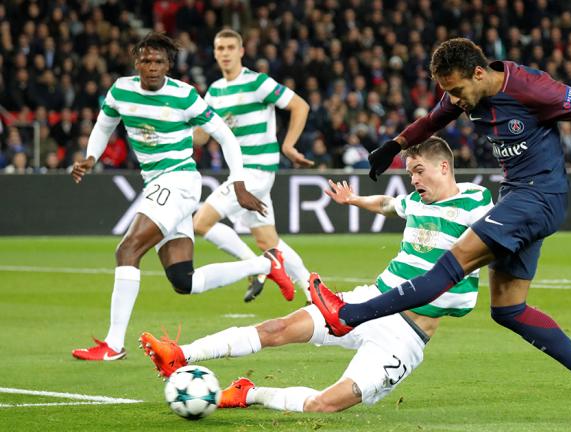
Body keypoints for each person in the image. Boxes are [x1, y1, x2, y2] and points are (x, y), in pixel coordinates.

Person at [309, 38, 571, 428]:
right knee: (509, 310)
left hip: (538, 198)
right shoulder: (467, 95)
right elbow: (432, 121)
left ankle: (347, 315)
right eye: (448, 92)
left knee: (448, 266)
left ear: (480, 73)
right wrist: (392, 146)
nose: (455, 100)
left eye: (458, 91)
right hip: (517, 195)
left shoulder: (529, 87)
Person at [140, 137, 494, 412]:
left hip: (407, 336)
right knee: (277, 328)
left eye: (419, 171)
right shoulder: (416, 200)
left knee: (324, 404)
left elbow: (504, 234)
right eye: (410, 172)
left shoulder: (476, 201)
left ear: (444, 167)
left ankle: (249, 393)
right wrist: (354, 200)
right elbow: (388, 204)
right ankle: (180, 354)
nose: (412, 178)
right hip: (371, 299)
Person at [70, 32, 294, 362]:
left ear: (169, 65)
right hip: (157, 184)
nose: (152, 67)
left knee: (128, 250)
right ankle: (266, 263)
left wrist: (239, 183)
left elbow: (226, 136)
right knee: (183, 281)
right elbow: (105, 126)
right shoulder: (121, 90)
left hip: (179, 182)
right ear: (137, 63)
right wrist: (91, 156)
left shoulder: (184, 96)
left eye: (159, 61)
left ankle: (113, 345)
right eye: (146, 60)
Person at [192, 29, 314, 303]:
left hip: (255, 172)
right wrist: (178, 132)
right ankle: (312, 289)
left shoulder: (258, 83)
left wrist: (288, 145)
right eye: (219, 48)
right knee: (269, 241)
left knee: (201, 222)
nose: (224, 53)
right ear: (214, 52)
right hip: (243, 175)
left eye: (229, 47)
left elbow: (300, 106)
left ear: (241, 51)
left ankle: (259, 268)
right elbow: (201, 136)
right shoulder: (214, 91)